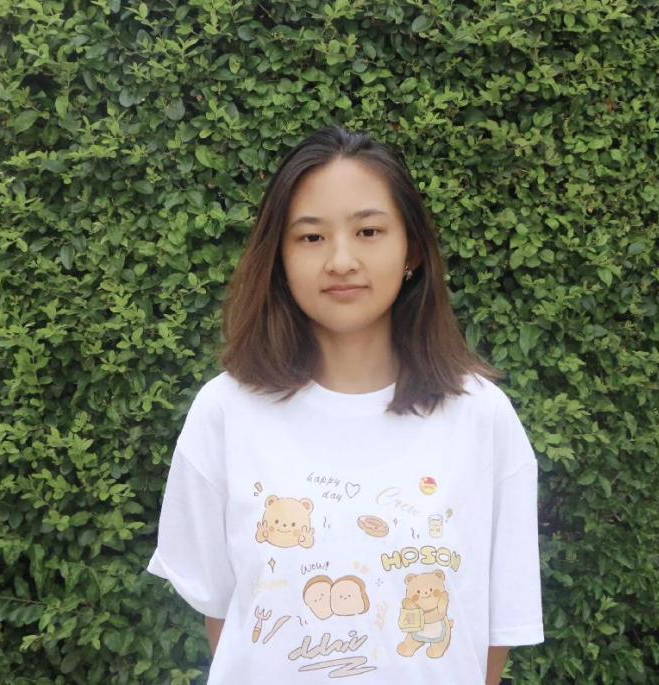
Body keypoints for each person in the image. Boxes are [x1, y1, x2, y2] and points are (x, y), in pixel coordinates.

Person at [146, 124, 544, 684]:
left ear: (411, 250)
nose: (341, 260)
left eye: (369, 231)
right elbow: (224, 612)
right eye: (311, 237)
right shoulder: (226, 412)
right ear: (280, 257)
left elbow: (498, 627)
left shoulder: (481, 416)